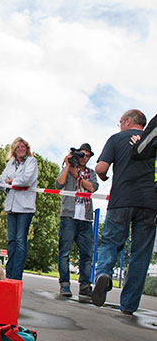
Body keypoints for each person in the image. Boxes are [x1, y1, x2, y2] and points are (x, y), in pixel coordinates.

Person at [93, 109, 157, 314]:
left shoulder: (116, 138)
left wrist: (104, 178)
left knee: (111, 242)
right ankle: (129, 305)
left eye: (120, 121)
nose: (119, 125)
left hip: (122, 199)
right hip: (149, 202)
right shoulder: (152, 138)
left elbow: (101, 168)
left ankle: (104, 274)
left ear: (128, 121)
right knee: (141, 253)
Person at [55, 143, 98, 298]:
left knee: (87, 253)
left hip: (85, 218)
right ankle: (64, 285)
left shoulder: (91, 173)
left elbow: (92, 187)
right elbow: (59, 183)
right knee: (64, 252)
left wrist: (77, 175)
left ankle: (85, 286)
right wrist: (67, 166)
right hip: (69, 216)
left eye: (87, 156)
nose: (84, 158)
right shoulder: (69, 169)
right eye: (81, 155)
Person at [0, 137, 38, 280]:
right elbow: (2, 179)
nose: (21, 149)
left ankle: (16, 276)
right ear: (14, 150)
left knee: (20, 241)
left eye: (23, 146)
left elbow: (27, 180)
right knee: (11, 240)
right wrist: (9, 183)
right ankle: (8, 273)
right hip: (11, 206)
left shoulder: (31, 162)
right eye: (18, 147)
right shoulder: (10, 163)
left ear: (27, 148)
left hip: (25, 207)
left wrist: (11, 181)